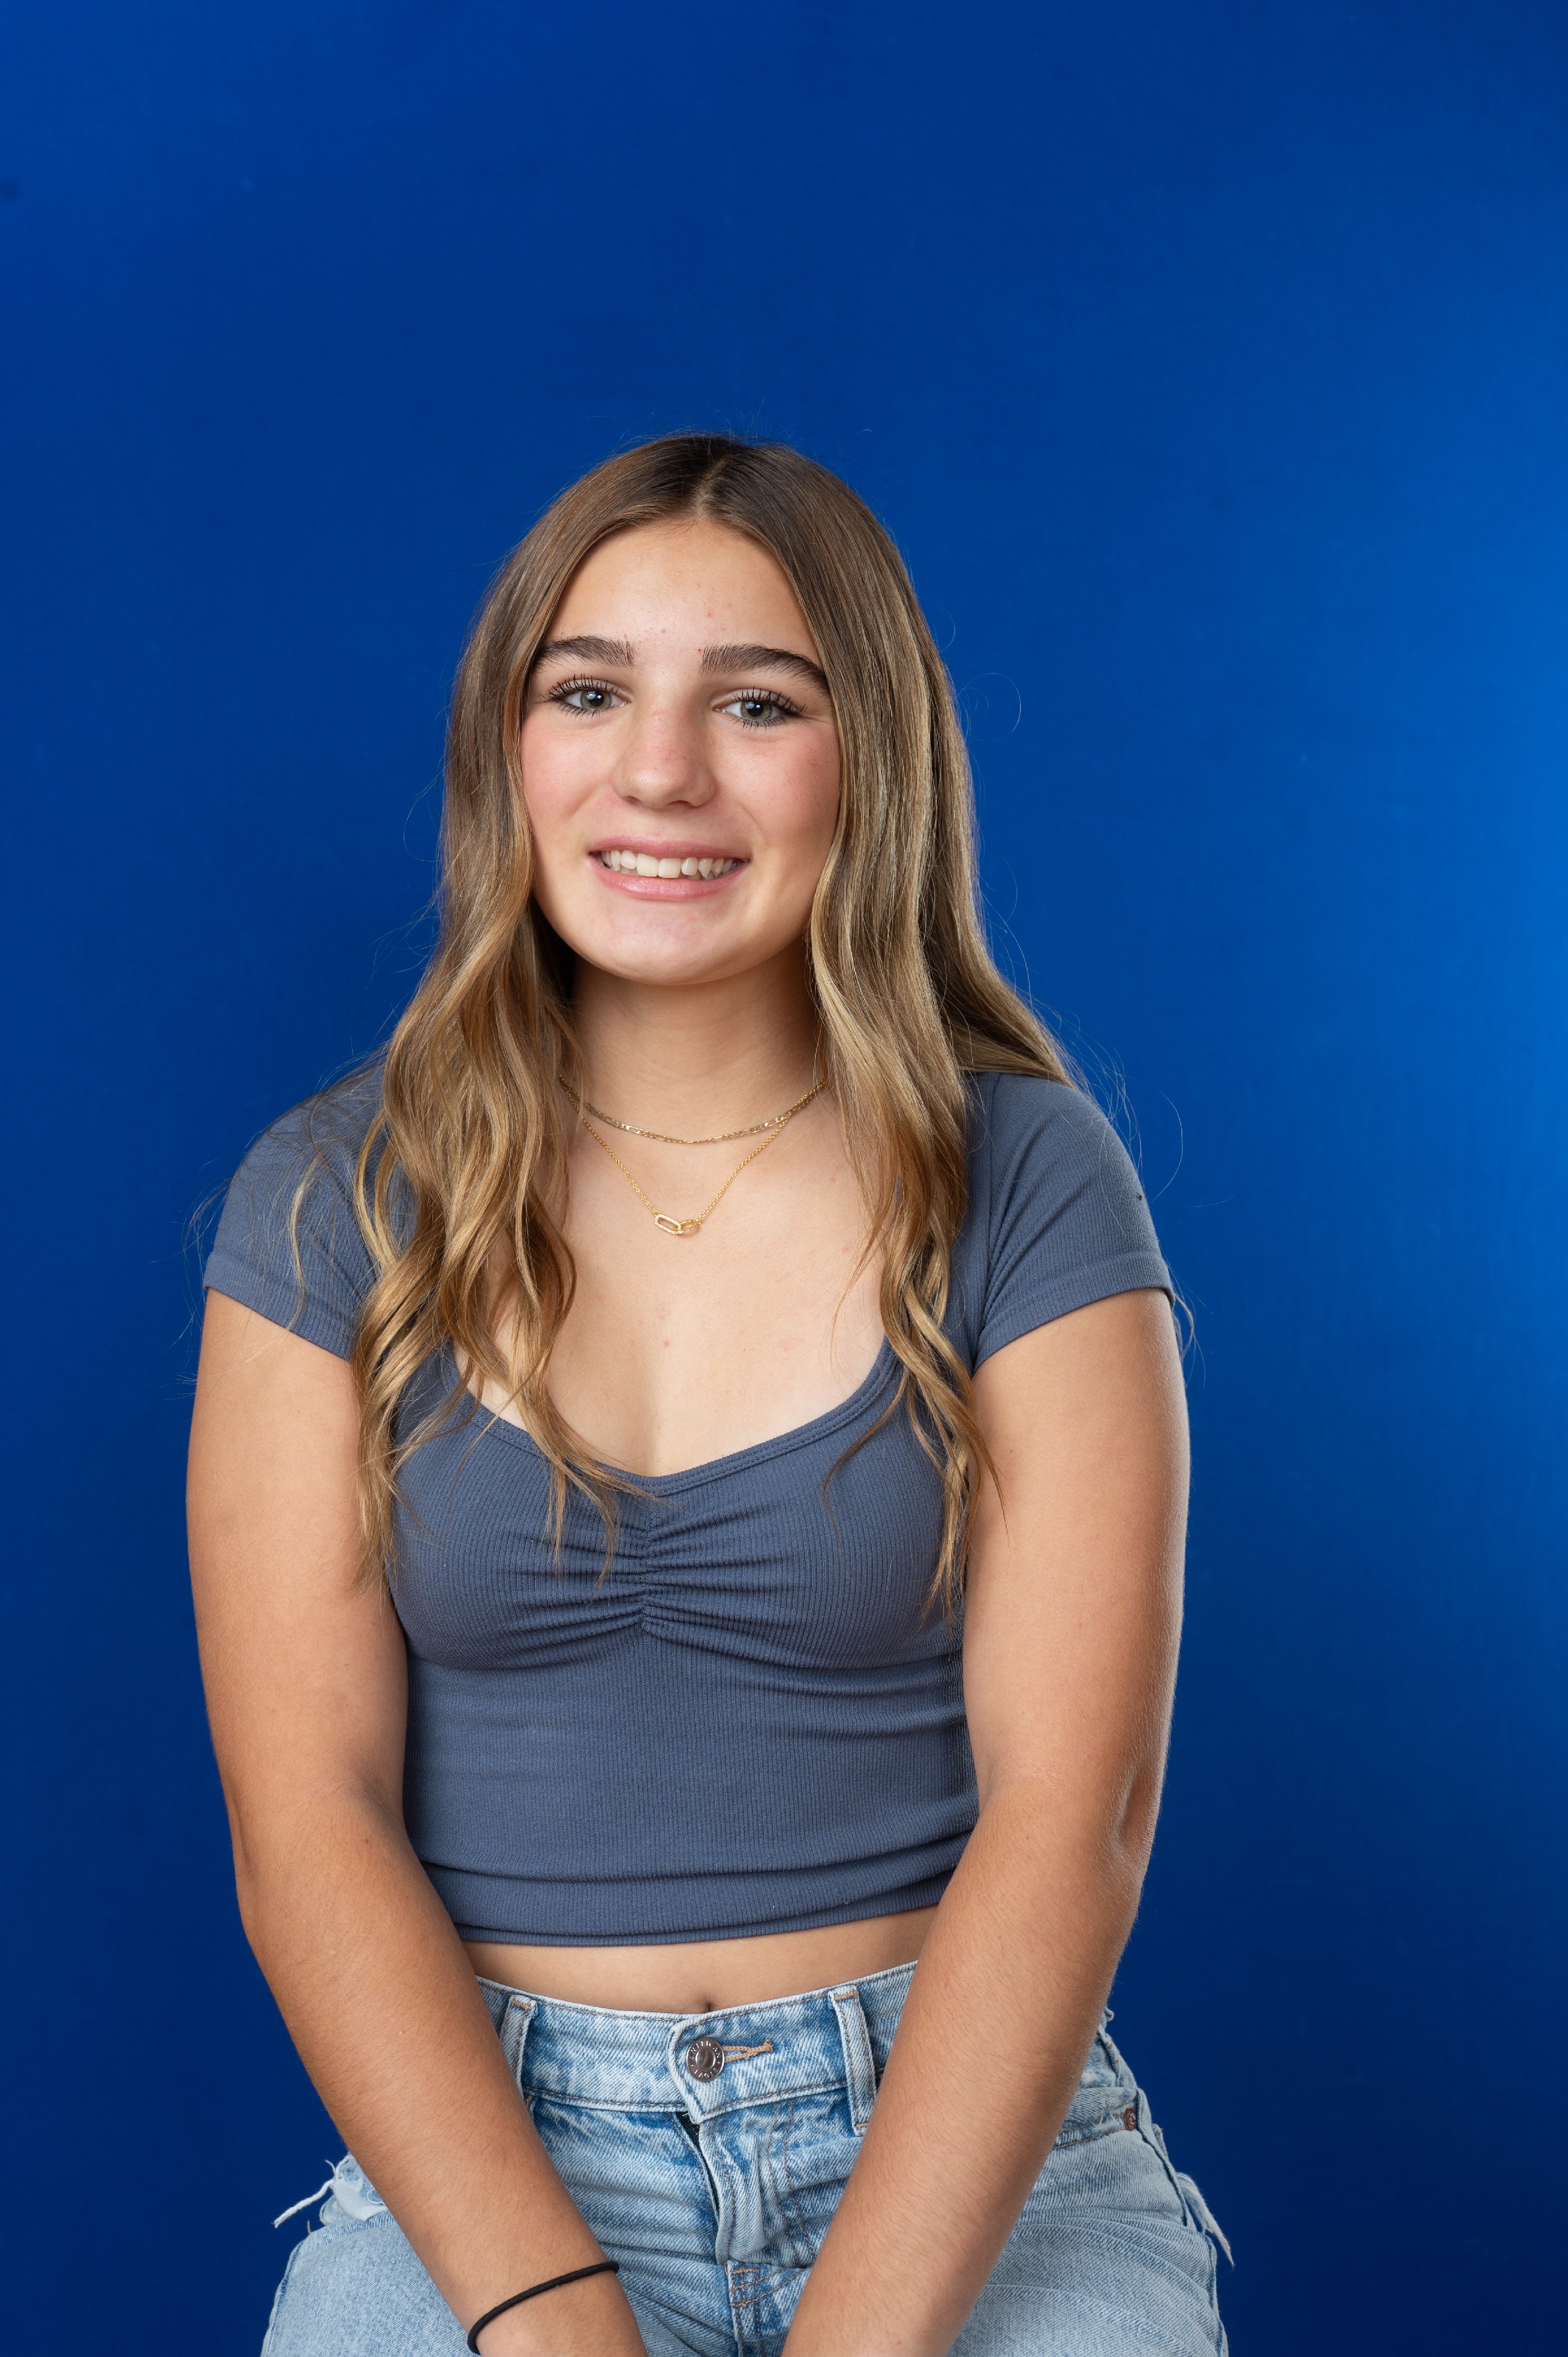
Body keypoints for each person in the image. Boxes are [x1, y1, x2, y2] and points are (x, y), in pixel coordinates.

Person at [189, 433, 1229, 2357]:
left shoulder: (1030, 1180)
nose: (660, 771)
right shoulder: (333, 1203)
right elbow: (305, 1821)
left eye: (758, 703)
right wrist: (548, 2308)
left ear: (874, 762)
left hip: (970, 2153)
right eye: (589, 692)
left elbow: (1074, 1813)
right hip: (488, 2163)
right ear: (509, 749)